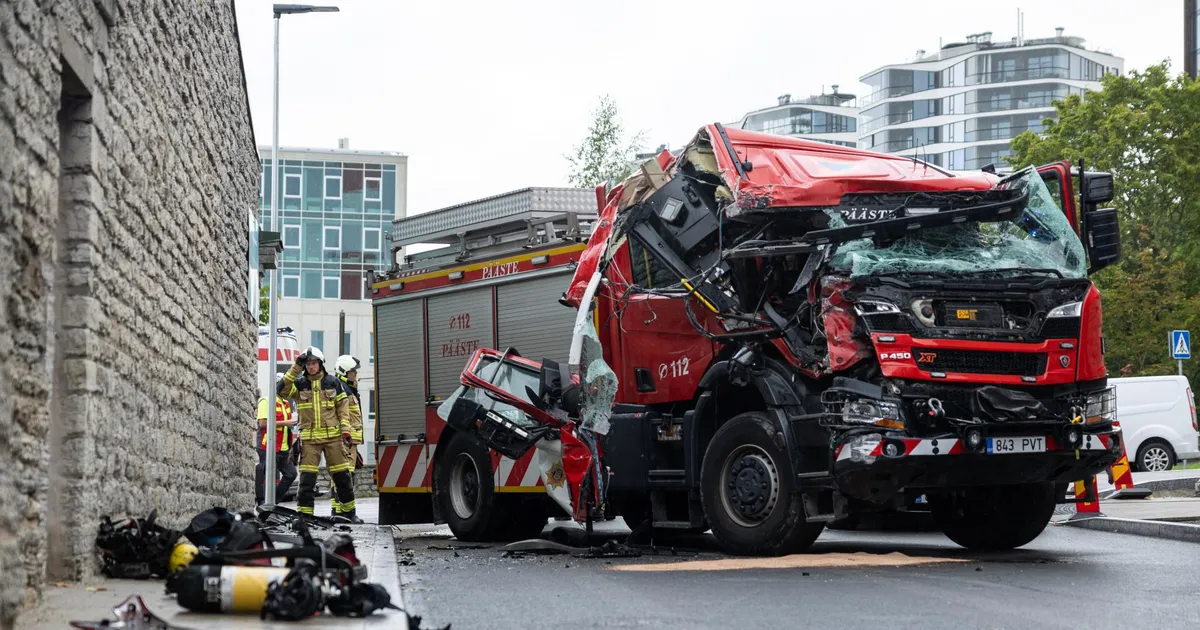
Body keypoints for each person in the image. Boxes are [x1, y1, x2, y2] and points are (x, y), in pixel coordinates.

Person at [278, 347, 362, 523]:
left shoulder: (333, 382)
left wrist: (345, 430)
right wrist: (295, 367)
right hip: (309, 441)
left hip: (333, 439)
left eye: (313, 363)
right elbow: (281, 390)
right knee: (307, 480)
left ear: (320, 363)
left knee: (342, 477)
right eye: (307, 364)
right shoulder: (299, 384)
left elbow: (343, 409)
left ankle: (349, 513)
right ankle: (304, 516)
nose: (311, 367)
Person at [255, 374, 298, 506]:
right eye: (287, 386)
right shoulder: (266, 401)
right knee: (266, 474)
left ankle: (274, 502)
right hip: (268, 446)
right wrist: (287, 422)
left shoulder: (285, 403)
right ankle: (263, 501)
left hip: (283, 448)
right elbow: (263, 423)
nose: (289, 389)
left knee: (291, 474)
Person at [334, 354, 364, 508]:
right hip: (346, 440)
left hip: (350, 442)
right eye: (353, 372)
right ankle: (345, 512)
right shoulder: (343, 389)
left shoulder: (348, 389)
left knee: (342, 476)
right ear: (344, 372)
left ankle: (338, 510)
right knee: (344, 476)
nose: (356, 374)